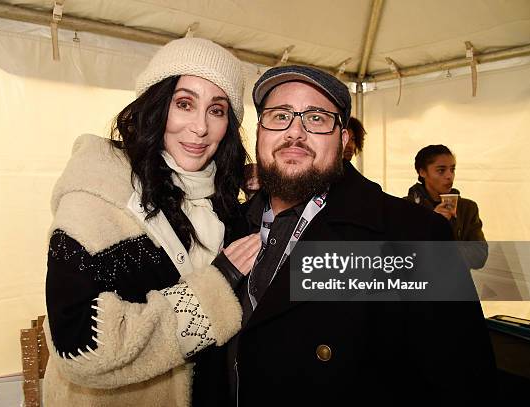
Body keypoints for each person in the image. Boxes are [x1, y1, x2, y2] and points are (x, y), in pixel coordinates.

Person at [221, 65, 496, 406]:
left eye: (317, 119)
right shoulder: (228, 222)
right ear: (259, 132)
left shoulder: (412, 234)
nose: (295, 133)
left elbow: (464, 381)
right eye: (279, 116)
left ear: (344, 140)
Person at [42, 37, 261, 407]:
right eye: (185, 104)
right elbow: (83, 349)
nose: (200, 128)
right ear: (157, 106)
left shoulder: (222, 202)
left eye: (217, 110)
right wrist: (216, 285)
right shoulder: (96, 198)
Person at [405, 144, 488, 269]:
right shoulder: (405, 207)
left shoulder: (467, 208)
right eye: (441, 170)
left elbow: (479, 258)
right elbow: (404, 257)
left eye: (452, 169)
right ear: (422, 172)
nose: (449, 176)